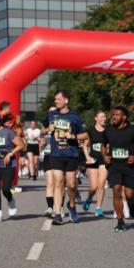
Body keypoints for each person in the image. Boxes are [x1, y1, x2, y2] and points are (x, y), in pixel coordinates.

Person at [42, 90, 86, 225]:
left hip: (71, 154)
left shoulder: (75, 116)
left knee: (72, 184)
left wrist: (73, 136)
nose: (56, 101)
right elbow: (42, 131)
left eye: (58, 99)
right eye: (55, 99)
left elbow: (85, 135)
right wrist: (48, 129)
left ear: (66, 100)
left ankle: (71, 206)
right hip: (56, 154)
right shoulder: (51, 114)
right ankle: (57, 213)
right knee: (58, 181)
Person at [103, 106, 134, 232]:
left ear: (124, 117)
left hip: (129, 166)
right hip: (114, 165)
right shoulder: (108, 130)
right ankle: (120, 221)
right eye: (113, 114)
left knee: (129, 194)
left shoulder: (132, 130)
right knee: (116, 190)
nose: (114, 117)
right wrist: (105, 156)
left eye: (117, 115)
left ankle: (131, 204)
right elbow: (103, 146)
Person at [83, 110, 108, 216]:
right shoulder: (90, 130)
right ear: (96, 118)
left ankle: (98, 208)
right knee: (93, 187)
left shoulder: (108, 131)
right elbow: (85, 145)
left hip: (103, 161)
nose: (104, 118)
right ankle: (89, 198)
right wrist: (87, 156)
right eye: (101, 117)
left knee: (101, 184)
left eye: (105, 116)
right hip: (92, 160)